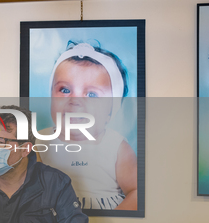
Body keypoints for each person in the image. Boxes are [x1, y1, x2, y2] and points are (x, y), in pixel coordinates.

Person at [40, 41, 138, 210]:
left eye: (92, 94)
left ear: (111, 111)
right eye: (64, 90)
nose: (75, 101)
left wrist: (119, 221)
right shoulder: (39, 144)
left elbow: (136, 190)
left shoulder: (115, 147)